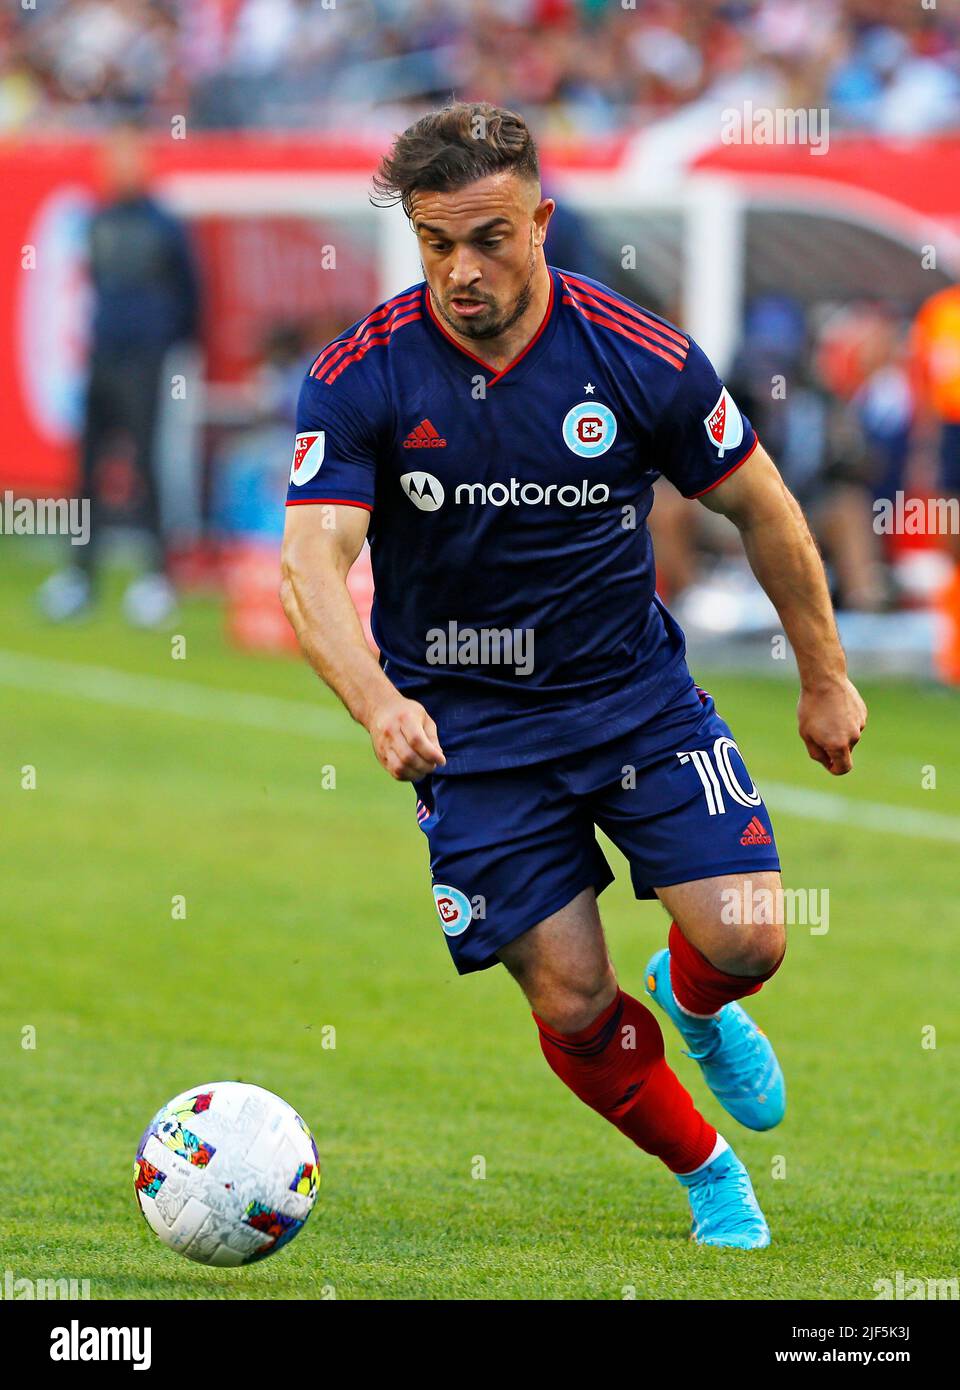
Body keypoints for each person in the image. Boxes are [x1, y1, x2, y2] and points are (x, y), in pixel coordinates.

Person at [280, 103, 867, 1248]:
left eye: (489, 237)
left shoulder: (637, 355)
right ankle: (708, 1172)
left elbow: (766, 511)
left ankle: (694, 1000)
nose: (462, 269)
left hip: (633, 699)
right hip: (471, 734)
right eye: (435, 242)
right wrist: (379, 702)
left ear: (542, 220)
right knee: (572, 998)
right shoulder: (363, 376)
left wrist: (825, 678)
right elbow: (311, 565)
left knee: (750, 938)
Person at [38, 121, 200, 627]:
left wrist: (166, 348)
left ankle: (155, 578)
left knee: (147, 466)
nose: (120, 168)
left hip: (145, 362)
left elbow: (191, 297)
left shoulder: (165, 225)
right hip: (102, 358)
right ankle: (81, 576)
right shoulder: (97, 221)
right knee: (86, 470)